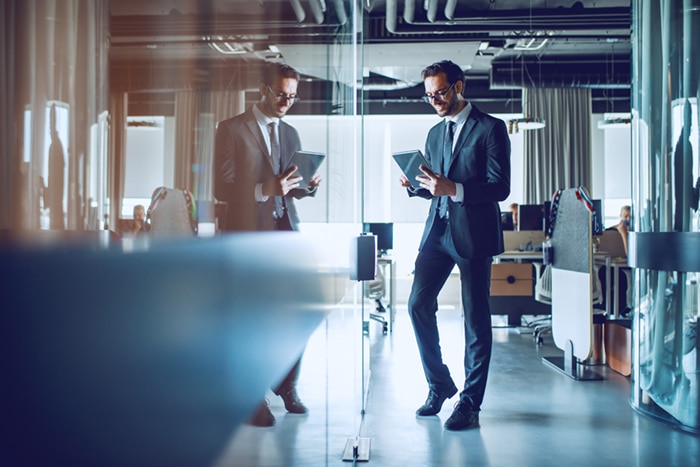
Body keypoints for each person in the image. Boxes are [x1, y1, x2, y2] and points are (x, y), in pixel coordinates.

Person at [400, 60, 510, 431]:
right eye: (429, 96)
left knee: (476, 319)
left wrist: (456, 189)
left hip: (474, 235)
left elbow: (500, 187)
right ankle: (440, 385)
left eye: (441, 93)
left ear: (459, 86)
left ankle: (470, 403)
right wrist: (418, 187)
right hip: (438, 232)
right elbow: (436, 183)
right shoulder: (434, 133)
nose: (435, 101)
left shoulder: (491, 128)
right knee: (416, 305)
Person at [214, 62, 322, 427]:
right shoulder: (230, 129)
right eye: (281, 94)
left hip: (285, 231)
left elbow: (289, 188)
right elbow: (221, 188)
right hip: (246, 235)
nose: (286, 102)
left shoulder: (290, 133)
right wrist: (265, 189)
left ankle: (285, 385)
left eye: (292, 96)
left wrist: (306, 188)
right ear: (263, 88)